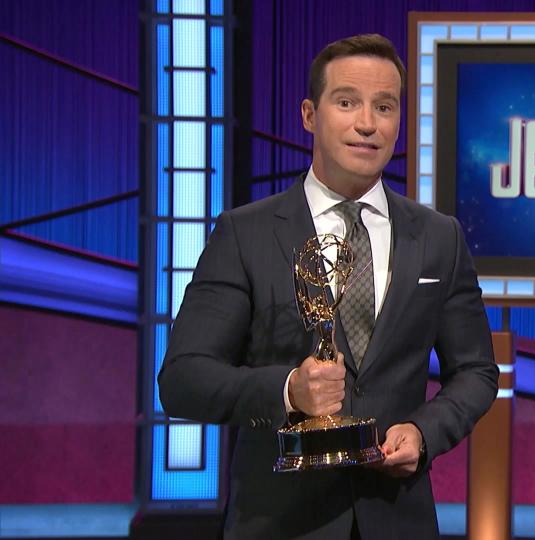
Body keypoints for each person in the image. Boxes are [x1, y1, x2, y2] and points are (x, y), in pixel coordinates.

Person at [158, 33, 498, 539]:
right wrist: (288, 390)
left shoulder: (439, 237)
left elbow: (475, 371)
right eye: (347, 102)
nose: (367, 123)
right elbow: (183, 380)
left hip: (396, 519)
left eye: (384, 106)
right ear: (309, 115)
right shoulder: (245, 233)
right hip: (278, 522)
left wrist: (424, 433)